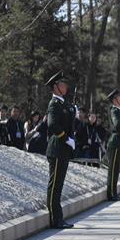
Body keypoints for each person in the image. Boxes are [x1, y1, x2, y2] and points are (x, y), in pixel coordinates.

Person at [45, 72, 75, 229]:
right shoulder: (54, 104)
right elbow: (52, 125)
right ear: (55, 87)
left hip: (63, 150)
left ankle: (58, 217)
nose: (66, 86)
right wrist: (66, 139)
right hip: (57, 149)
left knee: (59, 185)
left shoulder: (63, 104)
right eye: (62, 84)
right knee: (55, 185)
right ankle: (55, 219)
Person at [105, 89, 120, 201]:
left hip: (119, 141)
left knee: (116, 169)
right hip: (115, 142)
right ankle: (111, 193)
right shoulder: (114, 110)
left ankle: (114, 192)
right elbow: (118, 125)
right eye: (119, 97)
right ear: (115, 100)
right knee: (113, 169)